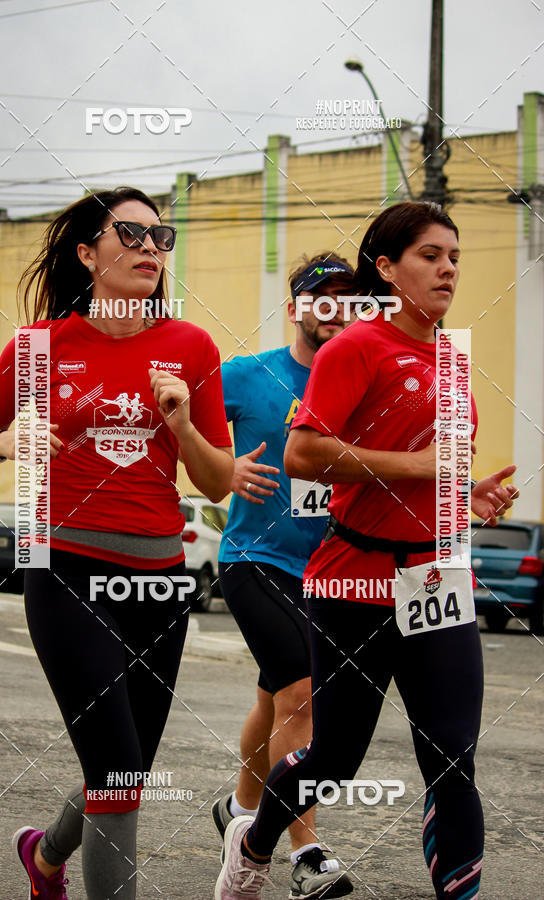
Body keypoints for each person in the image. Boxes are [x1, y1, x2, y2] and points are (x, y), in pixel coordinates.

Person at [214, 201, 518, 900]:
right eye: (430, 255)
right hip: (353, 580)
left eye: (455, 256)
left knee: (452, 759)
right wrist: (423, 468)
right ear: (385, 269)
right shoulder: (357, 347)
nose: (448, 268)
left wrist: (463, 495)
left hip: (436, 577)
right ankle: (254, 841)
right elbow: (303, 451)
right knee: (333, 758)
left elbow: (433, 463)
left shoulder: (451, 353)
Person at [0, 187, 233, 900]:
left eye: (160, 237)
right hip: (64, 567)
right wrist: (3, 440)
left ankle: (44, 857)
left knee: (126, 770)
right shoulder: (39, 347)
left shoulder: (191, 347)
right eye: (131, 234)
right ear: (88, 253)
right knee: (116, 773)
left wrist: (182, 426)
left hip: (161, 580)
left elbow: (218, 481)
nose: (151, 248)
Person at [213, 254, 356, 899]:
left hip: (327, 570)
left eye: (350, 299)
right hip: (254, 558)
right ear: (296, 307)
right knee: (303, 697)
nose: (336, 309)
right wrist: (227, 464)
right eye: (321, 297)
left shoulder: (360, 381)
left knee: (276, 697)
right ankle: (307, 852)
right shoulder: (249, 374)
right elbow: (178, 430)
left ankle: (240, 809)